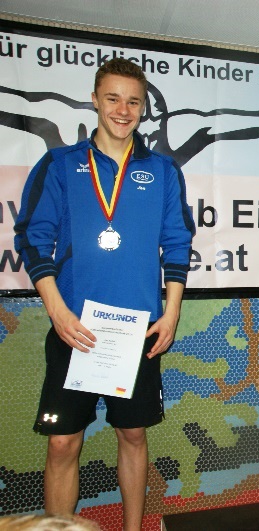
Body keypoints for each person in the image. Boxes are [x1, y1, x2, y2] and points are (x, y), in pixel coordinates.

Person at [14, 58, 195, 530]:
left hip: (138, 331)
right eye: (113, 98)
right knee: (62, 443)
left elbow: (177, 243)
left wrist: (171, 313)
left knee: (133, 436)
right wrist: (57, 311)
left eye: (133, 101)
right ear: (95, 100)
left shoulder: (163, 171)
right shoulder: (60, 164)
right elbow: (33, 237)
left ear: (143, 108)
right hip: (74, 329)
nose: (123, 110)